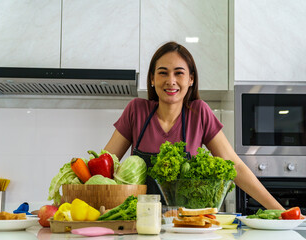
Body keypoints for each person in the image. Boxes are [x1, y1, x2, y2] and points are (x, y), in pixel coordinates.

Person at [104, 41, 285, 211]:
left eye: (179, 73)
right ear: (152, 78)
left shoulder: (199, 113)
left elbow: (235, 167)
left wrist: (281, 211)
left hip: (186, 225)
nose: (171, 80)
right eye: (163, 72)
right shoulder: (136, 110)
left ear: (191, 79)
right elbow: (105, 166)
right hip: (141, 220)